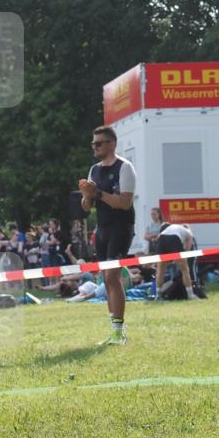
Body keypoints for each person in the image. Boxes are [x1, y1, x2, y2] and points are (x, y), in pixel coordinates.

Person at [78, 125, 136, 345]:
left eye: (99, 143)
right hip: (102, 229)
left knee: (112, 277)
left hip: (121, 227)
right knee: (106, 278)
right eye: (93, 143)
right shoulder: (94, 169)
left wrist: (98, 193)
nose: (95, 147)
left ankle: (119, 331)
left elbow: (124, 202)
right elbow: (87, 206)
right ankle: (115, 329)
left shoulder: (125, 167)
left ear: (111, 144)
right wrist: (86, 196)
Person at [155, 223, 199, 301]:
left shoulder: (173, 227)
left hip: (161, 238)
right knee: (185, 270)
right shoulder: (189, 232)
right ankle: (190, 295)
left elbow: (158, 237)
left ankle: (158, 296)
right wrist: (180, 260)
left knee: (160, 271)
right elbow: (187, 251)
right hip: (174, 239)